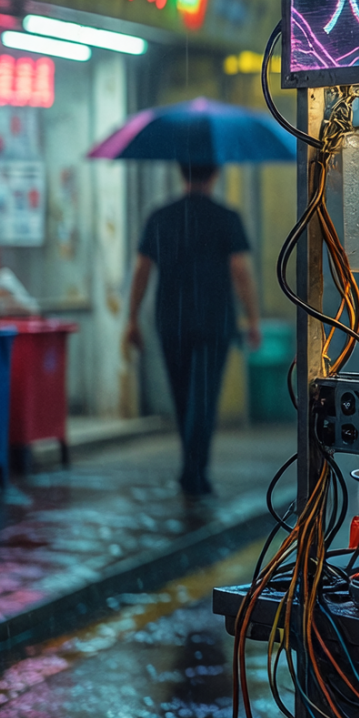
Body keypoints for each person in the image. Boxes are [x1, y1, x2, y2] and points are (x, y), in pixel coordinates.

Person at [125, 161, 261, 497]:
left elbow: (142, 270)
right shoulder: (226, 216)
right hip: (215, 321)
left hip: (172, 320)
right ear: (214, 174)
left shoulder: (161, 216)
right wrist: (253, 318)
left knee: (183, 396)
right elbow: (240, 271)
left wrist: (131, 318)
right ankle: (195, 472)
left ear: (180, 173)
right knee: (204, 398)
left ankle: (191, 469)